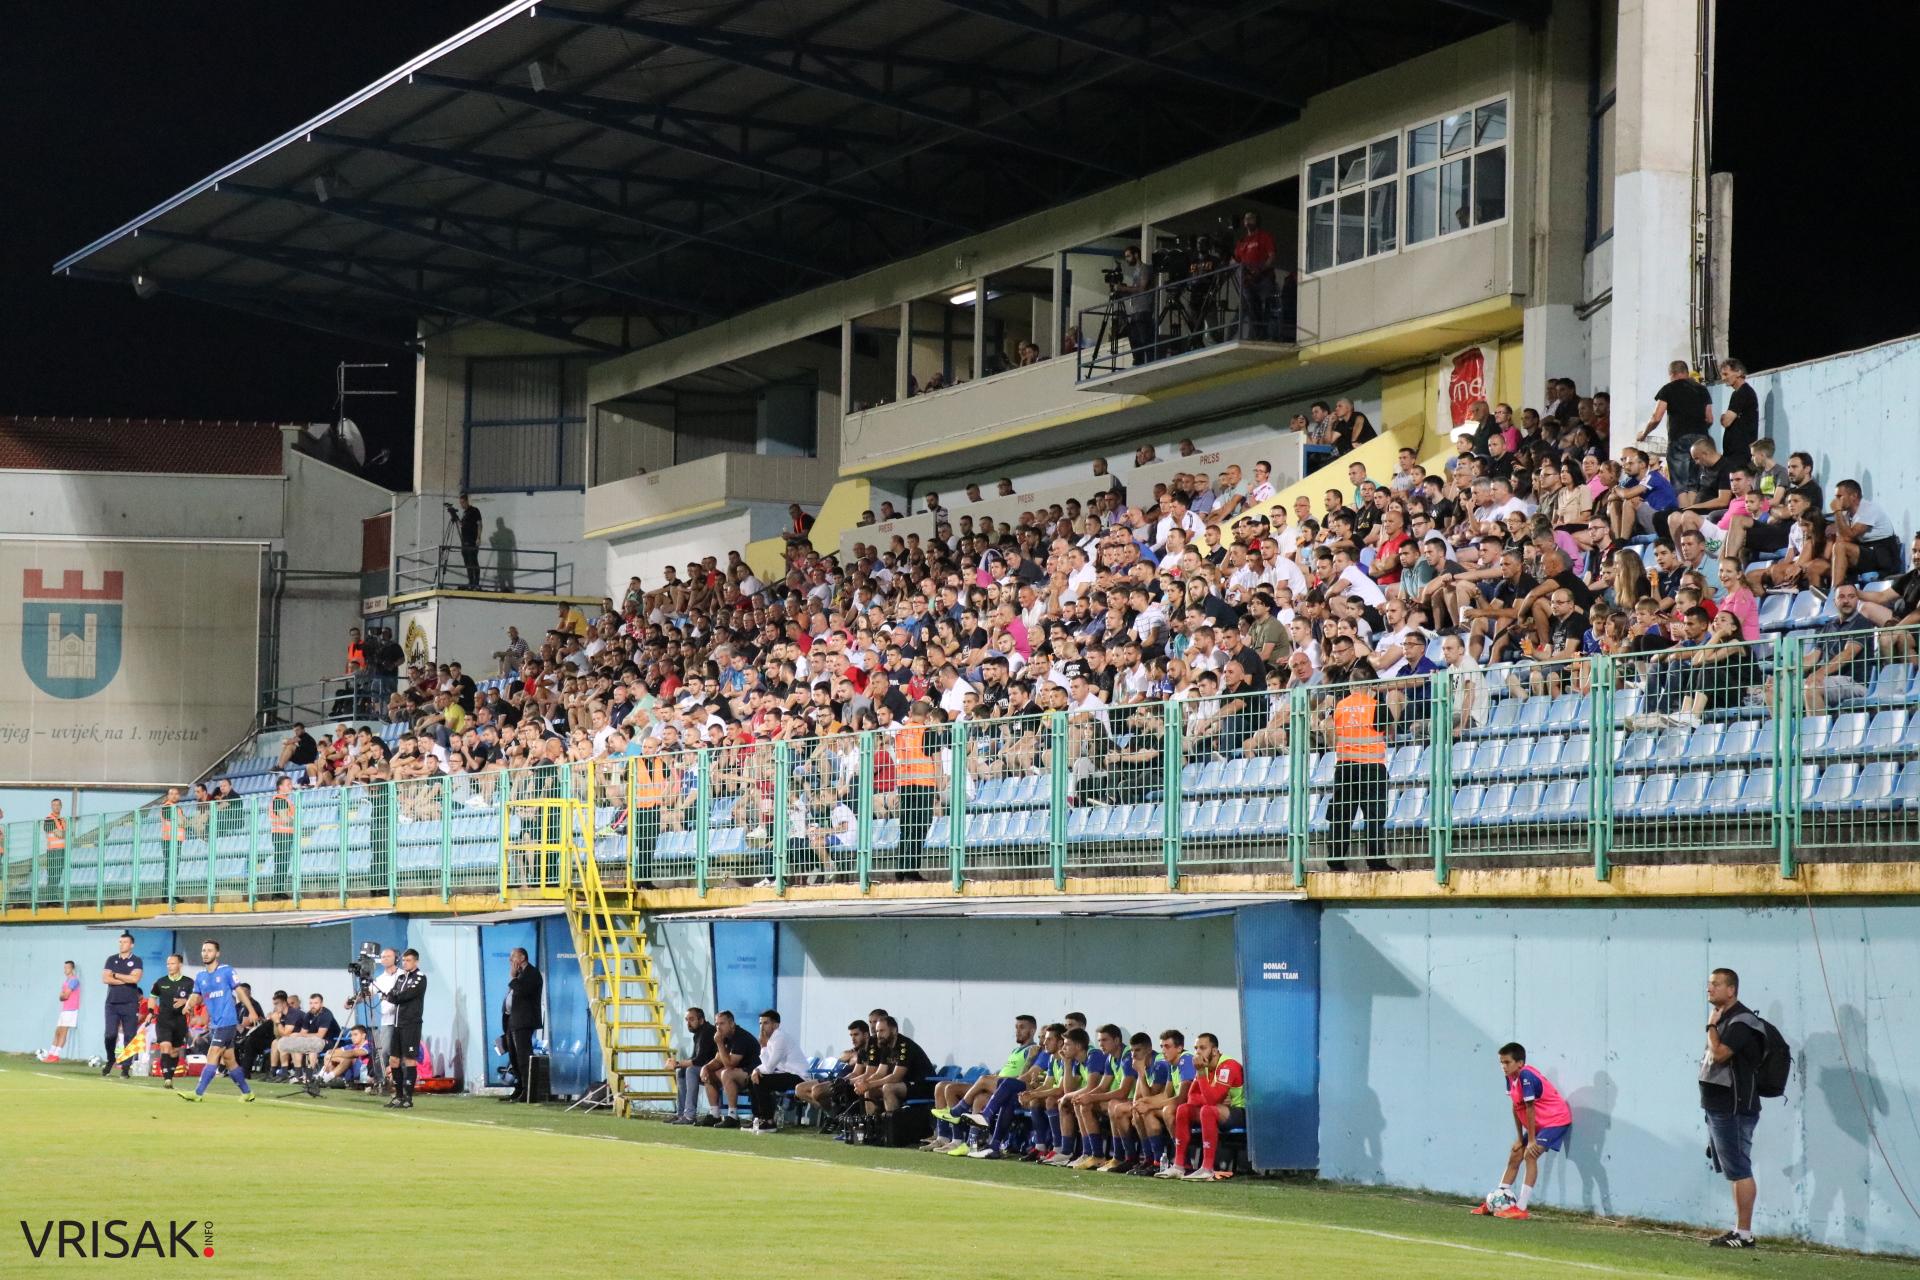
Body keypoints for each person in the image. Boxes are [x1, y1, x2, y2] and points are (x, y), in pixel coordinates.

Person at [1701, 967, 1766, 1249]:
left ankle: (1744, 1234)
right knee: (1733, 1169)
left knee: (1739, 1168)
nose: (1709, 989)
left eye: (1715, 984)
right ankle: (1739, 1231)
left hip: (1735, 1107)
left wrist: (1711, 1028)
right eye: (1709, 984)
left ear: (1731, 990)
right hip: (1718, 1107)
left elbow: (1719, 1055)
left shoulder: (1741, 1021)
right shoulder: (1726, 1019)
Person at [1470, 1042, 1573, 1219]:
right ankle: (1497, 1200)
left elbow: (1530, 1108)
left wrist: (1531, 1140)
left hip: (1555, 1120)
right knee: (1516, 1153)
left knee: (1530, 1155)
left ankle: (1521, 1208)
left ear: (1520, 1063)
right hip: (1540, 1123)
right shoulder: (1510, 1076)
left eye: (1507, 1062)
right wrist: (1520, 1139)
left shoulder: (1527, 1076)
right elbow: (1516, 1107)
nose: (1503, 1066)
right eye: (1501, 1062)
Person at [1327, 661, 1392, 872]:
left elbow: (1335, 730)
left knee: (1341, 815)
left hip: (1344, 767)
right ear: (1370, 685)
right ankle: (1376, 861)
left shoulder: (1340, 706)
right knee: (1374, 816)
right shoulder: (1376, 705)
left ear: (1351, 686)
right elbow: (1388, 731)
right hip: (1372, 767)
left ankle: (1335, 861)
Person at [178, 938, 254, 1103]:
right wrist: (188, 1005)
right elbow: (195, 995)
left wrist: (252, 1011)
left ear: (217, 953)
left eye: (210, 950)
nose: (206, 953)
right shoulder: (200, 976)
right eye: (204, 950)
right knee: (230, 1061)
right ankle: (247, 1092)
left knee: (213, 1054)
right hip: (215, 1023)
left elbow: (240, 992)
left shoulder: (226, 971)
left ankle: (198, 1093)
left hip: (227, 1022)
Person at [1166, 1031, 1244, 1182]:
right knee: (1183, 1109)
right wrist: (1211, 1099)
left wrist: (1201, 1074)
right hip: (1219, 1109)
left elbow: (1212, 1099)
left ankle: (1207, 1169)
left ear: (1214, 1051)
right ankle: (1178, 1165)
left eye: (1202, 1048)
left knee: (1208, 1110)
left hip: (1240, 1112)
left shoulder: (1228, 1065)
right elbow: (1191, 1098)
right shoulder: (1204, 1066)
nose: (1197, 1052)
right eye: (1196, 1048)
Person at [747, 1009, 810, 1133]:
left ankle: (769, 1121)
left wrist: (763, 1047)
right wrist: (756, 1070)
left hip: (799, 1077)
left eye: (766, 1023)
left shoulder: (780, 1038)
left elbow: (769, 1068)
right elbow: (767, 1065)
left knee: (761, 1081)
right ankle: (758, 1118)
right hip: (786, 1073)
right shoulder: (771, 1039)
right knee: (752, 1079)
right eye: (760, 1023)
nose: (762, 1027)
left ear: (776, 1025)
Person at [699, 1009, 759, 1128]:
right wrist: (705, 1068)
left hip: (753, 1074)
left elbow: (729, 1064)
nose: (718, 1027)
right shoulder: (724, 1037)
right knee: (709, 1073)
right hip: (737, 1073)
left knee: (726, 1073)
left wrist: (719, 1044)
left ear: (731, 1024)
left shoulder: (741, 1037)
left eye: (722, 1023)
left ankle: (732, 1116)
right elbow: (717, 1060)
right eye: (716, 1024)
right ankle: (714, 1114)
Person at [384, 948, 428, 1110]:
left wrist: (394, 997)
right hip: (397, 1024)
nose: (405, 963)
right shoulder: (401, 977)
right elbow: (392, 993)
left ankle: (408, 1097)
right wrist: (393, 996)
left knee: (409, 1059)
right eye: (403, 960)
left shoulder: (420, 978)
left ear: (416, 961)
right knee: (393, 1060)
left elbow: (404, 996)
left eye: (408, 960)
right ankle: (398, 1096)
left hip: (411, 1024)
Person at [99, 930, 143, 1079]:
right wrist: (126, 979)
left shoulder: (137, 960)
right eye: (120, 942)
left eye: (124, 942)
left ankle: (125, 1067)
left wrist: (116, 975)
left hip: (130, 1003)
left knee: (130, 1036)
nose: (121, 944)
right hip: (112, 1003)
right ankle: (111, 1058)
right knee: (110, 1034)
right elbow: (105, 978)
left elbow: (135, 979)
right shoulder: (111, 959)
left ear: (132, 945)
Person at [148, 954, 194, 1088]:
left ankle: (170, 1076)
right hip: (164, 1020)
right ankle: (167, 1079)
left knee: (174, 1051)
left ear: (180, 965)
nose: (169, 966)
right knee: (165, 1046)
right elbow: (152, 997)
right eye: (168, 964)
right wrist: (151, 1012)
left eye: (172, 964)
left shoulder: (189, 982)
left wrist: (185, 1002)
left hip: (180, 1021)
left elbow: (198, 998)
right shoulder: (161, 982)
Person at [504, 946, 543, 1103]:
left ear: (522, 958)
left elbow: (522, 992)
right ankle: (519, 1087)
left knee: (523, 1058)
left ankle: (528, 1091)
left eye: (513, 957)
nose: (510, 960)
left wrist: (513, 978)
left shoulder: (532, 974)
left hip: (524, 1022)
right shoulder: (521, 975)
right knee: (514, 1057)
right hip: (513, 1021)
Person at [669, 1007, 718, 1125]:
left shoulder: (708, 1032)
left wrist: (677, 1063)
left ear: (701, 1020)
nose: (688, 1023)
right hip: (704, 1068)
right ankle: (681, 1114)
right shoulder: (698, 1033)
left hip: (715, 1068)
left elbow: (700, 1060)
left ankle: (690, 1116)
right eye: (686, 1020)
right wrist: (679, 1065)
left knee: (690, 1070)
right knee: (682, 1071)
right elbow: (694, 1058)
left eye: (691, 1019)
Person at [1233, 210, 1276, 339]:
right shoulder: (1242, 242)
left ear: (1257, 221)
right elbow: (1235, 261)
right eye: (1246, 218)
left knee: (1266, 304)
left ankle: (1265, 333)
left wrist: (1261, 270)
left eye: (1251, 218)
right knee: (1250, 307)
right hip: (1248, 281)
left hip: (1263, 278)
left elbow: (1272, 256)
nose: (1248, 220)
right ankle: (1257, 334)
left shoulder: (1264, 236)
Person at [37, 959, 81, 1063]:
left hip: (71, 1010)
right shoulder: (66, 981)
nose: (65, 970)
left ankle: (56, 1055)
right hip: (65, 1010)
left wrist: (63, 995)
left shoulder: (74, 980)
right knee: (57, 1032)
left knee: (63, 1032)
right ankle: (51, 1053)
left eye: (67, 968)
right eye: (64, 968)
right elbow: (62, 995)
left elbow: (65, 996)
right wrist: (62, 995)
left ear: (72, 969)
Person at [456, 493, 483, 590]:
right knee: (467, 562)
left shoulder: (474, 510)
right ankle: (471, 582)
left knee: (473, 561)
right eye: (460, 503)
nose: (461, 505)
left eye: (463, 502)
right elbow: (463, 525)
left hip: (472, 541)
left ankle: (476, 583)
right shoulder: (464, 513)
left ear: (467, 501)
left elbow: (479, 524)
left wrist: (478, 538)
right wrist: (456, 519)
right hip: (465, 541)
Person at [42, 798, 66, 895]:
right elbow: (61, 835)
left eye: (57, 805)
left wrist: (63, 832)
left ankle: (53, 897)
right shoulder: (49, 819)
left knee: (58, 874)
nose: (56, 807)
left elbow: (70, 834)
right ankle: (51, 897)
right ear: (51, 807)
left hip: (62, 850)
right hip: (53, 851)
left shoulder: (63, 820)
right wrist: (64, 833)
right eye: (54, 805)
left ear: (61, 806)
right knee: (53, 874)